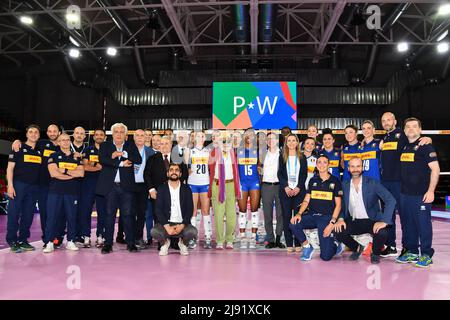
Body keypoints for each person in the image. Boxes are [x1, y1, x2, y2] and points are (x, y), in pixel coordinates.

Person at [379, 112, 432, 258]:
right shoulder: (385, 138)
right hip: (385, 183)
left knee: (405, 217)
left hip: (399, 183)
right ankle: (391, 245)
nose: (386, 122)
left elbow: (417, 139)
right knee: (388, 216)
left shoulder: (402, 134)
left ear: (395, 121)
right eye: (383, 121)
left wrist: (427, 138)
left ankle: (408, 248)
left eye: (389, 119)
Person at [334, 157, 396, 264]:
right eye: (352, 166)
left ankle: (375, 253)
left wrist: (384, 221)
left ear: (362, 168)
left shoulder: (372, 183)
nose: (355, 169)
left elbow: (391, 200)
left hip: (371, 220)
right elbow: (341, 205)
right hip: (354, 220)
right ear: (348, 168)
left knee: (382, 232)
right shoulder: (344, 185)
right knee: (337, 230)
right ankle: (357, 248)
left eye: (358, 166)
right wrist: (340, 218)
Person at [396, 118, 440, 268]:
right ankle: (413, 252)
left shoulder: (426, 146)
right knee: (408, 225)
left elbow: (435, 169)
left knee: (423, 225)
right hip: (405, 194)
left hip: (421, 194)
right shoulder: (404, 146)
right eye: (408, 127)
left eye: (414, 127)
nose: (411, 129)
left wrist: (431, 191)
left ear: (420, 130)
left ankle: (427, 254)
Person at [96, 123, 142, 254]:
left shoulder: (130, 145)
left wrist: (124, 154)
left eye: (122, 132)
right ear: (112, 133)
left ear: (126, 135)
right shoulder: (105, 145)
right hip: (110, 187)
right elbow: (103, 159)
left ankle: (131, 243)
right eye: (116, 131)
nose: (119, 134)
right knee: (109, 215)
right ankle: (108, 244)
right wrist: (119, 162)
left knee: (128, 215)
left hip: (126, 187)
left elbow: (137, 159)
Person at [11, 124, 60, 243]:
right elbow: (28, 143)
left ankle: (55, 237)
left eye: (55, 131)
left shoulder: (64, 146)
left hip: (56, 185)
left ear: (59, 132)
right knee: (37, 212)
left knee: (53, 213)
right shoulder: (41, 144)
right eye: (49, 131)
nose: (52, 133)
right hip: (37, 185)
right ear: (47, 133)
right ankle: (14, 241)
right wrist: (17, 141)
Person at [289, 155, 343, 261]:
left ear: (328, 165)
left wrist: (332, 223)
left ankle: (336, 245)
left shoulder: (335, 181)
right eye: (319, 162)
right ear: (316, 165)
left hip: (326, 218)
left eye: (324, 162)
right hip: (312, 216)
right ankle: (307, 247)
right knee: (293, 223)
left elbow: (339, 205)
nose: (322, 165)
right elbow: (306, 200)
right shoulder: (312, 180)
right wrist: (299, 214)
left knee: (326, 257)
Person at [43, 133, 85, 253]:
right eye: (63, 140)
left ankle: (70, 241)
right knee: (52, 217)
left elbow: (81, 174)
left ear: (70, 141)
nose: (65, 142)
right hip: (55, 192)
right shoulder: (53, 156)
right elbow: (53, 174)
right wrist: (72, 174)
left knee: (71, 217)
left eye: (67, 140)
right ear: (59, 142)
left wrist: (64, 171)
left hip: (72, 192)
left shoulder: (77, 157)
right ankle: (49, 242)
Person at [6, 125, 42, 253]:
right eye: (30, 132)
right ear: (26, 134)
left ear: (38, 135)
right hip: (18, 185)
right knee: (14, 214)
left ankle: (23, 240)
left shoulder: (39, 151)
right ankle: (12, 241)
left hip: (34, 188)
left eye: (36, 132)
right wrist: (10, 185)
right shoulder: (18, 148)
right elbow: (10, 169)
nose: (33, 134)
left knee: (28, 215)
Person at [151, 163, 197, 256]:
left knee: (193, 232)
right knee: (154, 231)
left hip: (182, 223)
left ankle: (183, 243)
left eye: (176, 170)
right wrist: (167, 226)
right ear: (168, 173)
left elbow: (189, 209)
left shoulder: (186, 189)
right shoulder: (161, 189)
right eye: (171, 170)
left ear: (180, 174)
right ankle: (165, 243)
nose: (174, 172)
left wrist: (182, 225)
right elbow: (158, 210)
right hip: (167, 224)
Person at [208, 133, 241, 250]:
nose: (225, 143)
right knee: (218, 214)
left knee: (231, 214)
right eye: (223, 141)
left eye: (227, 141)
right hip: (217, 185)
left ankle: (230, 238)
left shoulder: (234, 153)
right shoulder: (213, 152)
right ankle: (220, 240)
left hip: (231, 184)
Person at [277, 133, 307, 253]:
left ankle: (298, 242)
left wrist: (299, 187)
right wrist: (286, 187)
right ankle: (289, 243)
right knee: (286, 217)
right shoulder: (282, 156)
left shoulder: (302, 157)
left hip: (299, 192)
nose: (291, 143)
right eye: (289, 141)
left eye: (293, 140)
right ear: (286, 143)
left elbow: (304, 174)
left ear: (297, 142)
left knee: (298, 217)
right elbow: (280, 174)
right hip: (286, 192)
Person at [79, 129, 106, 248]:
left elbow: (109, 166)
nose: (99, 136)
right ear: (93, 137)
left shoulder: (108, 149)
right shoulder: (87, 149)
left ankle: (100, 235)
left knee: (102, 211)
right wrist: (100, 167)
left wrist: (93, 163)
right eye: (97, 135)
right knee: (86, 210)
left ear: (104, 137)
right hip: (88, 184)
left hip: (103, 185)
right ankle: (86, 236)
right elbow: (85, 167)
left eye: (101, 135)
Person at [186, 131, 212, 249]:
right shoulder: (189, 151)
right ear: (194, 138)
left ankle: (207, 237)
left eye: (202, 136)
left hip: (205, 183)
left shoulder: (208, 151)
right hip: (193, 183)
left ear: (204, 138)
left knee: (206, 211)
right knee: (193, 212)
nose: (200, 138)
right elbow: (185, 168)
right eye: (198, 136)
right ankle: (192, 237)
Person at [237, 128, 261, 249]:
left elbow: (262, 166)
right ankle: (241, 236)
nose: (249, 136)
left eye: (251, 134)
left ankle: (253, 236)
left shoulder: (259, 151)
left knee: (254, 209)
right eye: (247, 134)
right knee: (242, 210)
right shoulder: (238, 151)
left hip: (254, 182)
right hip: (242, 183)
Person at [261, 132, 285, 249]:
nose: (271, 141)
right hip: (266, 186)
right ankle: (270, 238)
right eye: (268, 139)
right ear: (266, 142)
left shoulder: (282, 155)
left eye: (273, 139)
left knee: (280, 213)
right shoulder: (262, 155)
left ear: (277, 141)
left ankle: (278, 238)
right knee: (267, 214)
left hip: (279, 186)